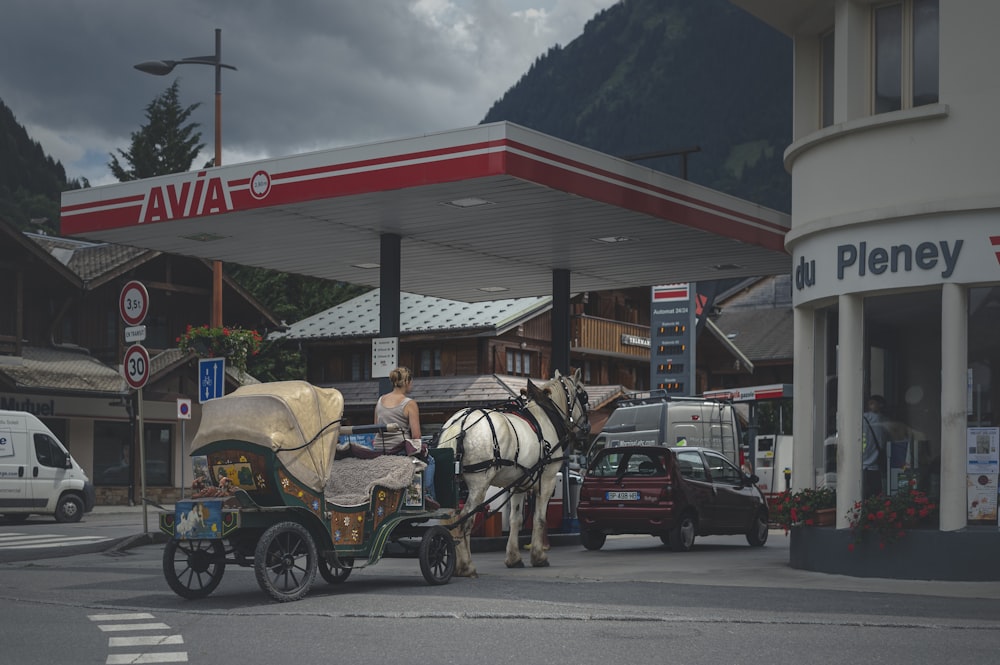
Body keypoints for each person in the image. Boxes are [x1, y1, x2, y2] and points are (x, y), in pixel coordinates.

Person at [374, 367, 437, 508]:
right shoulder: (409, 403)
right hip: (399, 450)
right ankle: (426, 495)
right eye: (411, 381)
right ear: (407, 381)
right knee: (430, 461)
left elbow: (375, 427)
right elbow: (416, 435)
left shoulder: (380, 400)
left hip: (379, 449)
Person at [862, 395, 889, 499]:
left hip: (862, 466)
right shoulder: (885, 421)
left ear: (880, 405)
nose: (869, 405)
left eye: (872, 403)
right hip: (875, 467)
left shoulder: (862, 418)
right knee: (876, 498)